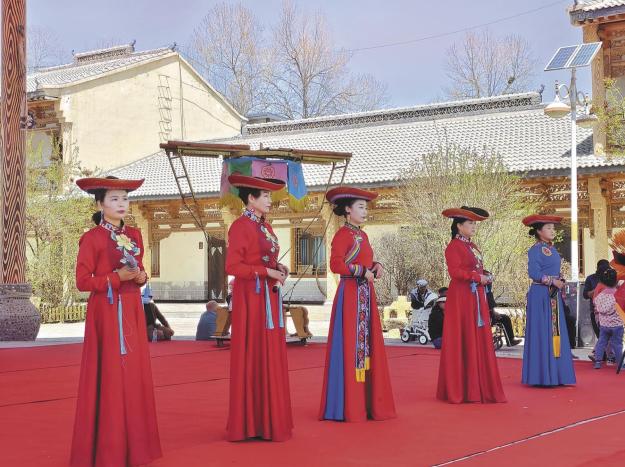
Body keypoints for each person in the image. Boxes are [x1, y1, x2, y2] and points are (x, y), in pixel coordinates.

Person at [70, 176, 161, 466]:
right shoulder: (92, 238)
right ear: (100, 204)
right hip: (107, 312)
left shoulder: (134, 235)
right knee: (110, 373)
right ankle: (109, 447)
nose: (122, 204)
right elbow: (82, 282)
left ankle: (136, 444)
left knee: (133, 373)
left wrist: (141, 277)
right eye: (114, 199)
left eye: (125, 198)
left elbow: (141, 271)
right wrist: (114, 278)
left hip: (132, 308)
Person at [319, 187, 396, 422]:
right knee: (352, 346)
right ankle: (351, 404)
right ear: (348, 210)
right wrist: (362, 271)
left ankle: (368, 401)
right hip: (351, 295)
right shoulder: (342, 235)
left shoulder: (363, 235)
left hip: (365, 294)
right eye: (360, 207)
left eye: (365, 207)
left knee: (367, 346)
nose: (365, 211)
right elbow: (335, 264)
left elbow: (365, 261)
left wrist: (375, 266)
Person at [225, 174, 293, 442]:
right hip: (250, 298)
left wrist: (278, 267)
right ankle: (251, 422)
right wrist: (266, 271)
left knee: (270, 353)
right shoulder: (240, 226)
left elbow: (267, 258)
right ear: (251, 198)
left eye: (270, 196)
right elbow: (233, 266)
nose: (269, 200)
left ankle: (268, 419)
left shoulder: (266, 226)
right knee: (253, 352)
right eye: (265, 196)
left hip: (268, 297)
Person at [436, 206, 506, 404]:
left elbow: (476, 268)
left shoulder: (472, 246)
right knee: (464, 335)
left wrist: (486, 275)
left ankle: (478, 385)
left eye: (474, 223)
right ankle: (463, 388)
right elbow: (455, 272)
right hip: (462, 297)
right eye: (470, 223)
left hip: (476, 296)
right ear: (459, 226)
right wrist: (476, 277)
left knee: (477, 335)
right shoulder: (453, 246)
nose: (474, 226)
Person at [521, 214, 576, 387]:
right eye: (548, 228)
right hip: (541, 295)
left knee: (555, 331)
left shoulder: (551, 248)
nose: (553, 231)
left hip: (552, 294)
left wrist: (559, 280)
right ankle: (542, 375)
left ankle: (556, 374)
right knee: (544, 332)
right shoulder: (536, 249)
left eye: (553, 228)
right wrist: (553, 281)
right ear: (539, 231)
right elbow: (534, 273)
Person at [592, 267, 625, 370]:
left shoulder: (600, 296)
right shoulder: (618, 295)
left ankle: (597, 362)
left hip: (604, 324)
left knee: (601, 342)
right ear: (616, 280)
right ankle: (620, 364)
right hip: (617, 325)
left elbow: (595, 304)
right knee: (617, 344)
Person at [583, 259, 611, 362]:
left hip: (610, 311)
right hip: (595, 311)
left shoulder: (611, 277)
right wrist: (598, 290)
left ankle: (601, 355)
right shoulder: (591, 278)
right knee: (600, 334)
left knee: (606, 334)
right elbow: (585, 295)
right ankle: (602, 356)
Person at [484, 277, 521, 347]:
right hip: (488, 317)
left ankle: (511, 340)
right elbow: (490, 307)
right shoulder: (487, 293)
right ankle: (510, 340)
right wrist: (494, 313)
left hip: (487, 315)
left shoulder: (483, 292)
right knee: (505, 318)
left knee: (504, 317)